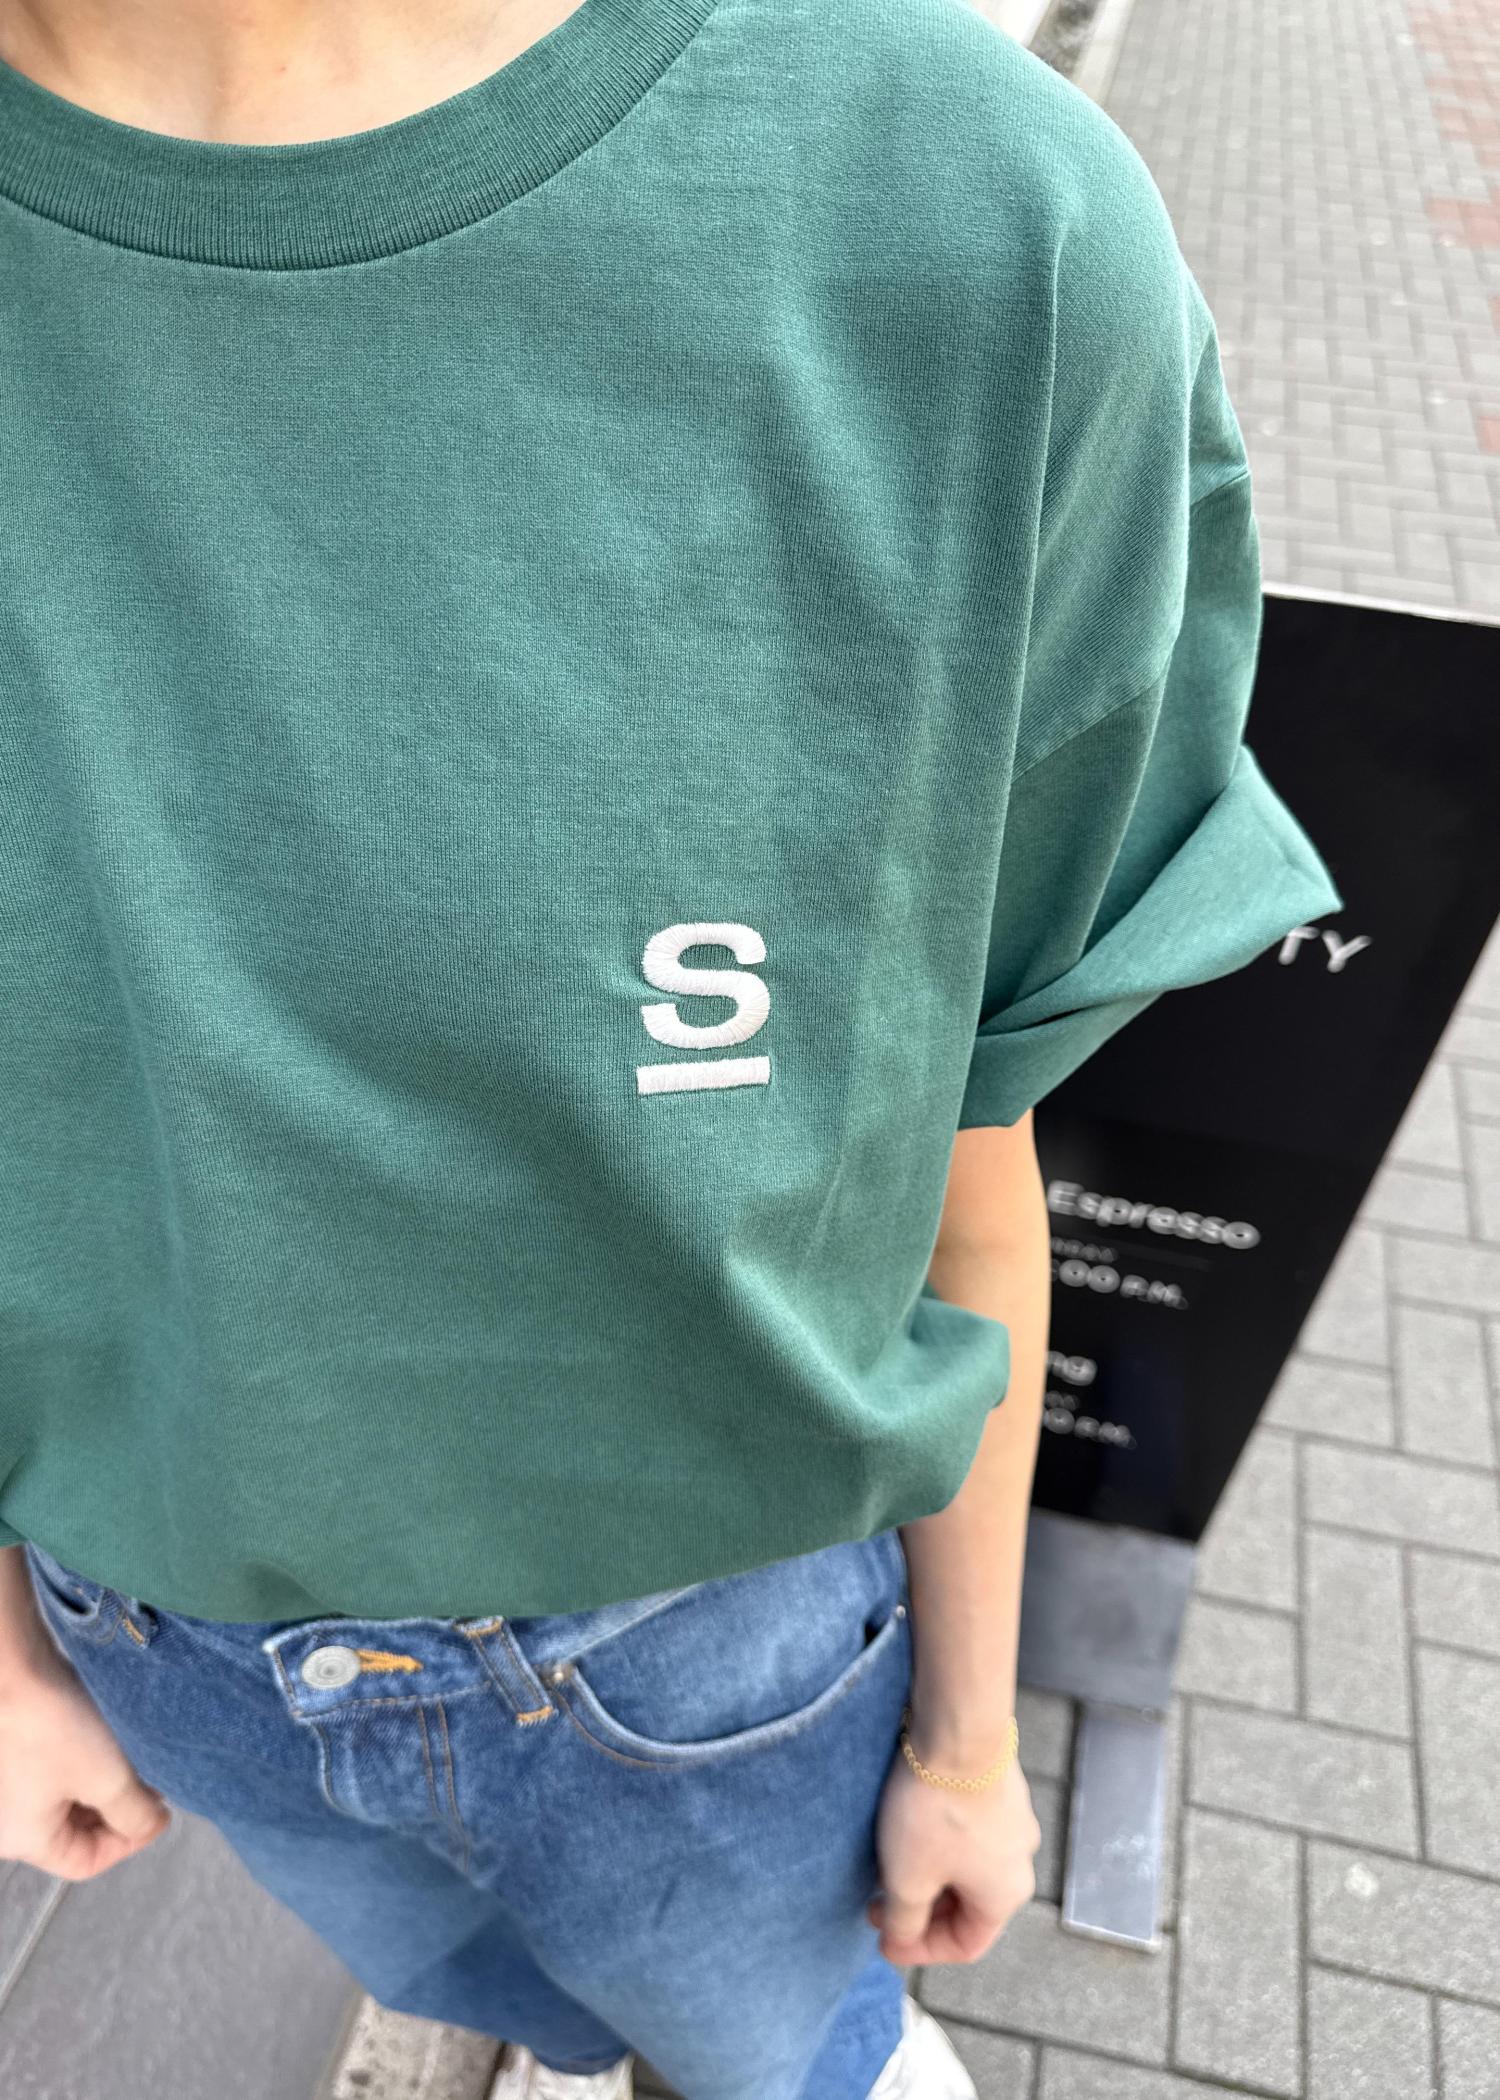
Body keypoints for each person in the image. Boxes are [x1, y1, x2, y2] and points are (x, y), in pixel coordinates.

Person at [0, 0, 1343, 2094]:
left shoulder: (957, 220)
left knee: (794, 2048)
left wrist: (967, 1746)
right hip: (162, 1641)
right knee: (525, 2000)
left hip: (720, 1662)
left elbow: (961, 1157)